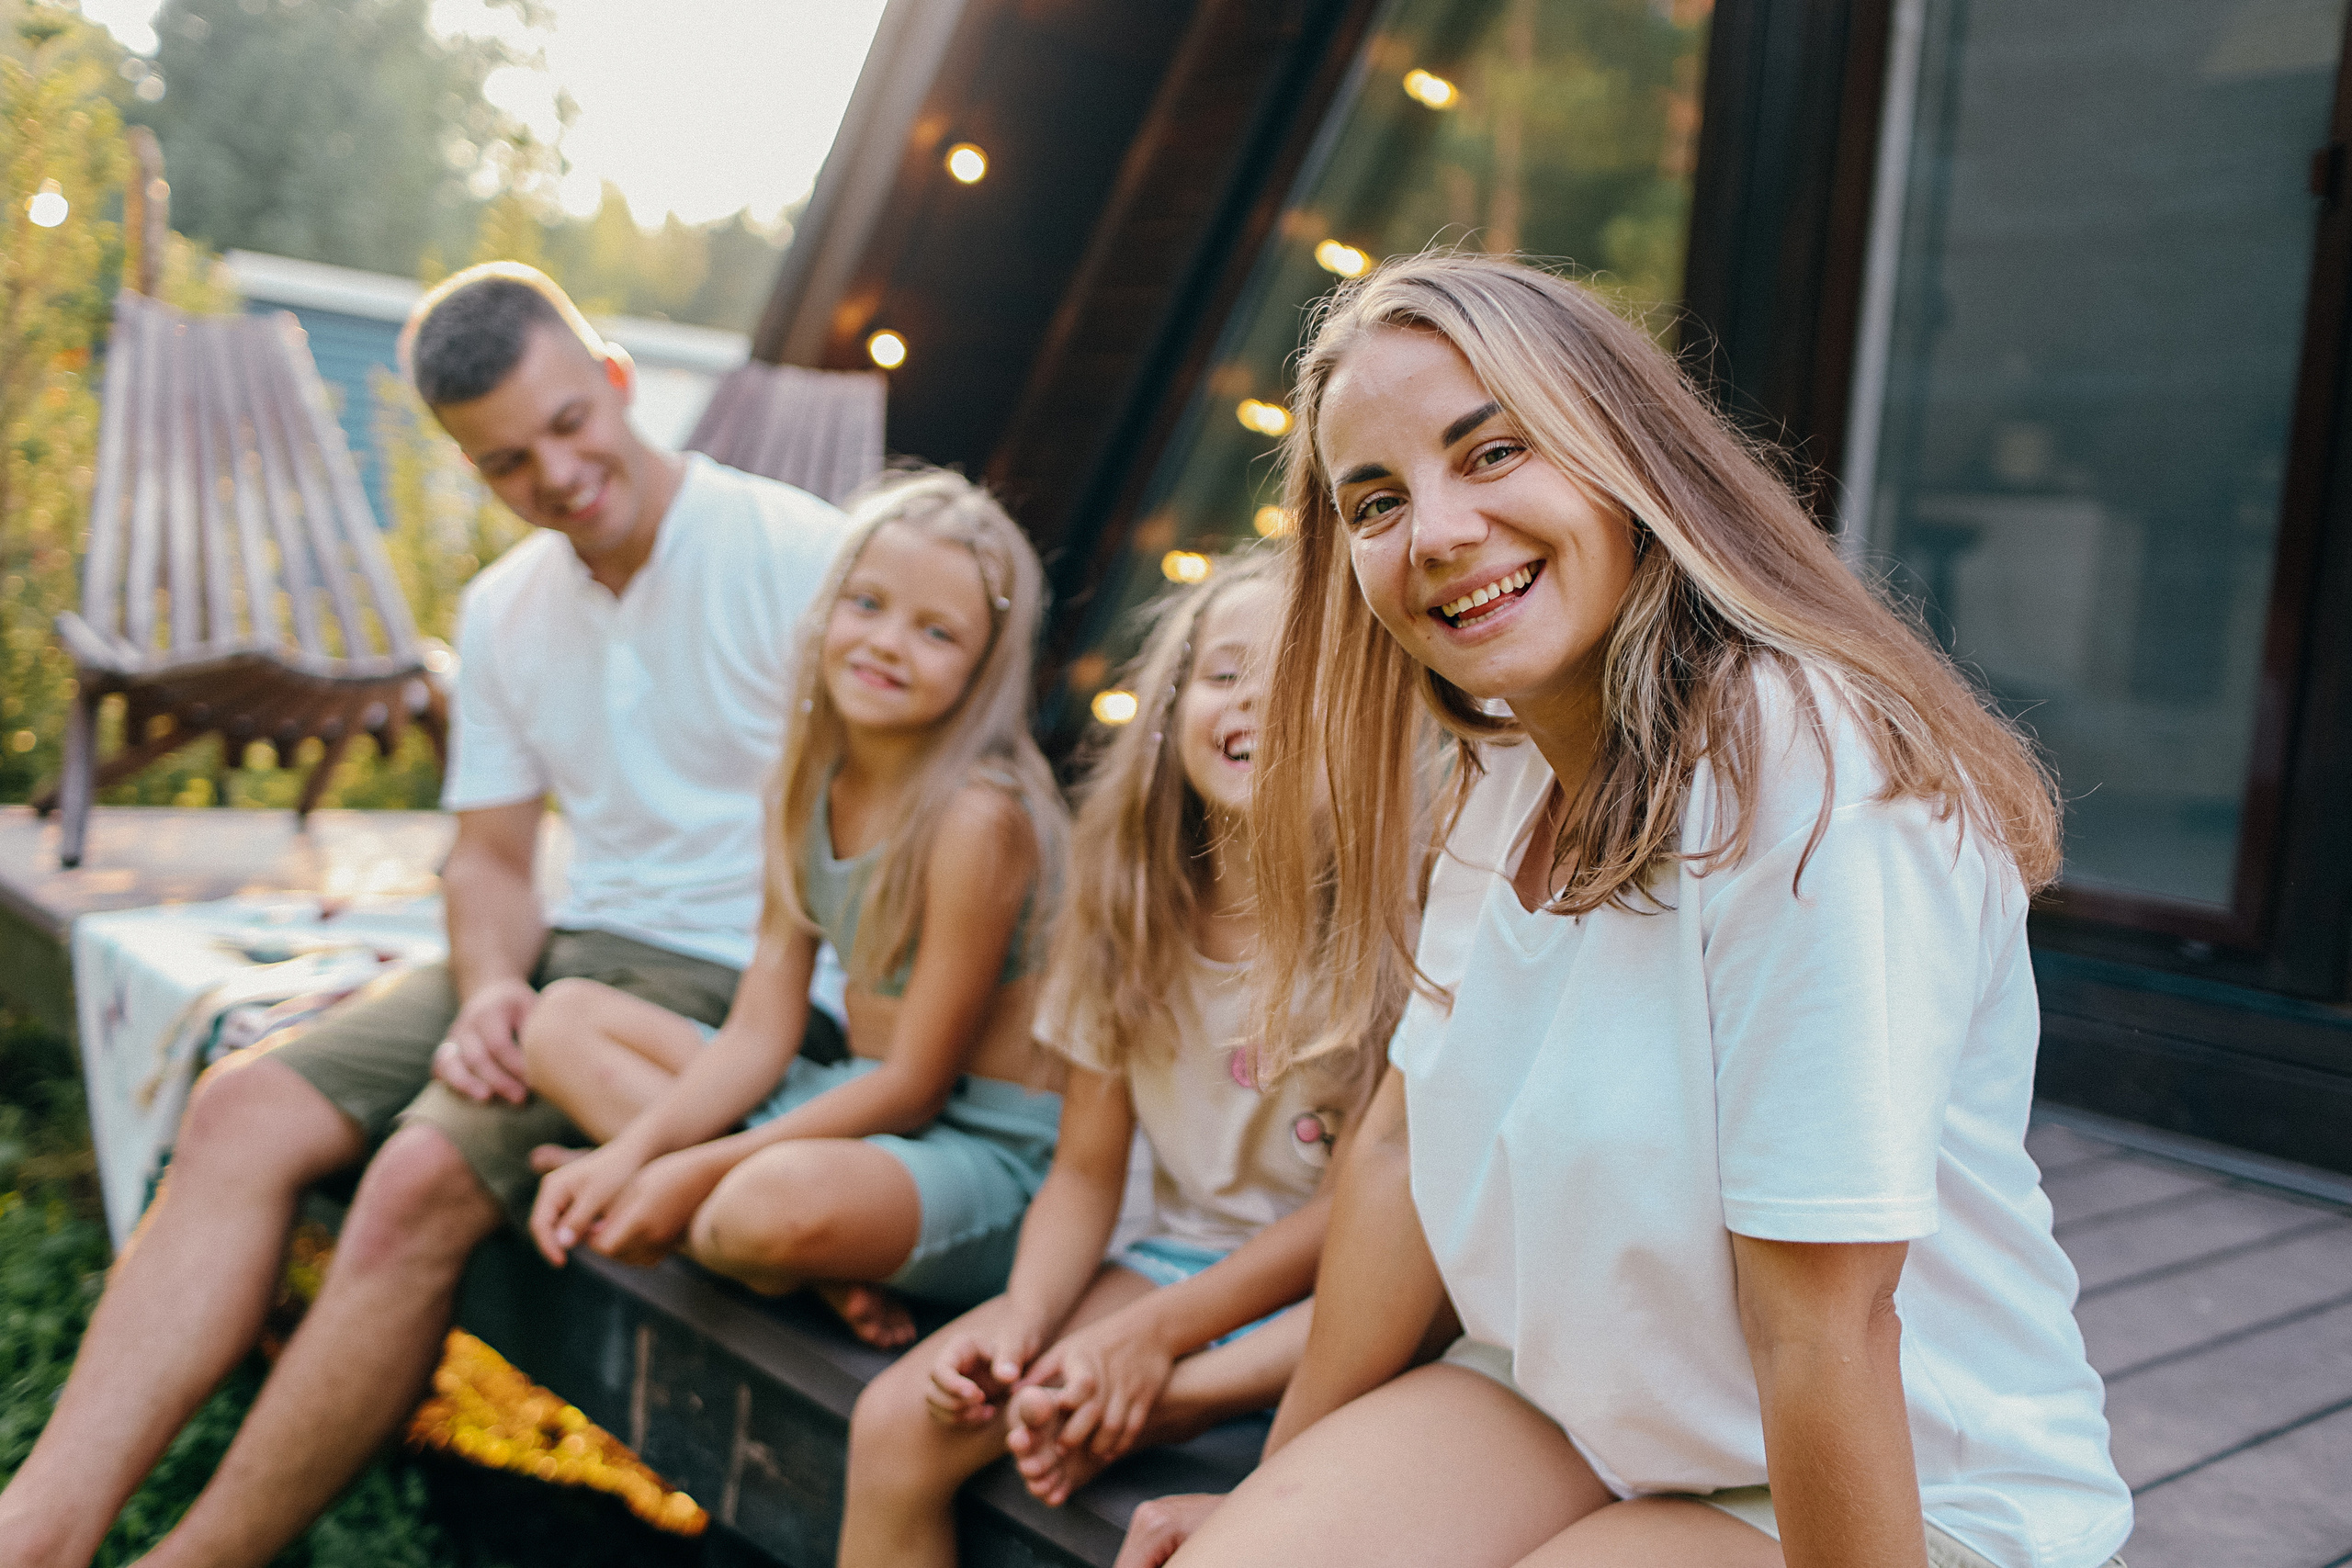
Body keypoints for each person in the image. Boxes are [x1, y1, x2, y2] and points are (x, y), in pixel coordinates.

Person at [1145, 253, 2133, 1568]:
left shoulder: (1806, 770)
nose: (1435, 531)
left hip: (1890, 1480)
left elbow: (1826, 1329)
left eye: (1490, 452)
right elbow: (1394, 1153)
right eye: (1375, 499)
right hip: (1576, 1403)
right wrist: (1280, 1485)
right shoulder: (1500, 762)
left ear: (1625, 455)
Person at [0, 262, 847, 1568]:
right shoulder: (507, 609)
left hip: (733, 973)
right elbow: (492, 861)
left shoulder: (798, 555)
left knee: (414, 1178)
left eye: (570, 423)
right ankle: (32, 1535)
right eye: (508, 461)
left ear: (615, 380)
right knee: (240, 1105)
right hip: (571, 945)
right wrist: (496, 985)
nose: (556, 475)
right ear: (472, 464)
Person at [835, 551, 1374, 1568]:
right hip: (1174, 1255)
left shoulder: (1391, 928)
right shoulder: (1128, 909)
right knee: (900, 1424)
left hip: (1348, 1297)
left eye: (1301, 676)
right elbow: (1085, 1173)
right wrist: (1023, 1326)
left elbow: (1354, 1217)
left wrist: (1151, 1340)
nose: (1253, 701)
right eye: (1222, 674)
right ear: (1169, 708)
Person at [521, 469, 1069, 1352]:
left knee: (753, 1207)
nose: (889, 643)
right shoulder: (807, 778)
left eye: (936, 632)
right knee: (559, 1022)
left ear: (982, 670)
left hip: (984, 1158)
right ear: (825, 607)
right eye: (868, 603)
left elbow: (916, 1085)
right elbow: (758, 1028)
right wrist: (638, 1155)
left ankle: (768, 1238)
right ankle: (808, 1263)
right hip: (852, 1103)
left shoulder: (979, 820)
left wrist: (686, 1169)